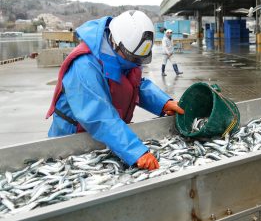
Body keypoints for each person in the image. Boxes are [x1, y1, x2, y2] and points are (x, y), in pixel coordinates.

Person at [46, 10, 184, 170]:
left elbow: (134, 84)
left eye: (139, 59)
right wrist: (135, 151)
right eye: (133, 58)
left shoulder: (122, 57)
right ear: (115, 43)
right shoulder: (85, 66)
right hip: (71, 145)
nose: (136, 63)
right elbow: (98, 116)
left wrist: (164, 103)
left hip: (110, 139)